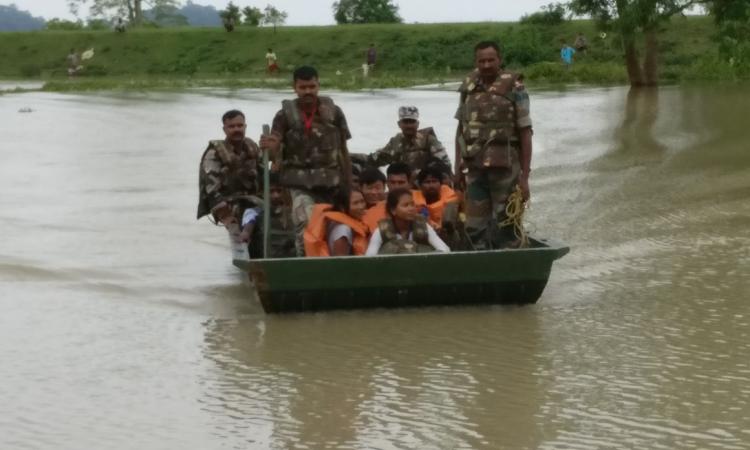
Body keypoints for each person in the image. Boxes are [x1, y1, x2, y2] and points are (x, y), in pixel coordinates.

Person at [259, 65, 352, 256]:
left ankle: (335, 263)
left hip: (331, 182)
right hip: (299, 184)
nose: (308, 91)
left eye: (312, 86)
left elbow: (343, 149)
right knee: (306, 222)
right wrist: (270, 145)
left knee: (337, 226)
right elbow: (275, 146)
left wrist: (348, 184)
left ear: (318, 85)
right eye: (303, 88)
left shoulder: (335, 112)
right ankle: (306, 262)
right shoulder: (284, 114)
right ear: (295, 87)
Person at [455, 41, 532, 249]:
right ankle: (482, 268)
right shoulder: (468, 87)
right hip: (475, 168)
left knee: (507, 224)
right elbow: (461, 130)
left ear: (499, 60)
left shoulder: (515, 87)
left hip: (506, 169)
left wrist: (525, 178)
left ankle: (513, 271)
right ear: (476, 62)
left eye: (491, 60)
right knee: (473, 227)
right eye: (482, 60)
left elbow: (526, 133)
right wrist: (457, 168)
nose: (486, 64)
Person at [197, 110, 264, 237]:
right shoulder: (215, 152)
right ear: (224, 129)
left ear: (245, 126)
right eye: (231, 126)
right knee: (244, 215)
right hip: (228, 202)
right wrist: (225, 216)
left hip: (253, 199)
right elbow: (211, 190)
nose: (236, 129)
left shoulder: (252, 147)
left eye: (239, 126)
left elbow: (265, 174)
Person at [367, 106, 452, 182]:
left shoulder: (429, 140)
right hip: (402, 185)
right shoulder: (395, 141)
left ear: (417, 124)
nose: (409, 126)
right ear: (399, 124)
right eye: (405, 122)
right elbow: (377, 159)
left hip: (426, 184)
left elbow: (445, 164)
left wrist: (421, 173)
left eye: (412, 122)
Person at [365, 189, 450, 255]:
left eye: (412, 204)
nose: (411, 209)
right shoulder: (382, 230)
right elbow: (370, 257)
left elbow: (445, 250)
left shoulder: (423, 226)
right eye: (405, 205)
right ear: (393, 210)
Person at [242, 173, 296, 259]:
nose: (276, 195)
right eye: (271, 191)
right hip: (265, 263)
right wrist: (246, 233)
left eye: (279, 191)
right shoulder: (253, 212)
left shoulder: (292, 212)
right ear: (262, 193)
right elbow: (246, 231)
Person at [304, 189, 369, 257]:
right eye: (355, 203)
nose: (361, 206)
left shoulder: (336, 222)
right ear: (342, 208)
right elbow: (340, 263)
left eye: (362, 201)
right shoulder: (343, 231)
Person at [361, 162, 411, 233]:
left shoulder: (418, 206)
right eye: (392, 182)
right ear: (387, 183)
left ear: (409, 184)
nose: (396, 187)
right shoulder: (365, 212)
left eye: (401, 182)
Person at [412, 165, 459, 232]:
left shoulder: (449, 195)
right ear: (420, 185)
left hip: (447, 234)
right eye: (427, 182)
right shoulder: (412, 198)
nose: (431, 186)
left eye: (434, 181)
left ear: (441, 184)